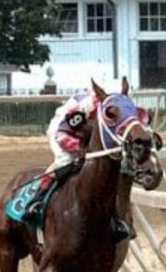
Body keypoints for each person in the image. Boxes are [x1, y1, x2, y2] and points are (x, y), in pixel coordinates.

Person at [25, 87, 134, 240]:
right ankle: (36, 202)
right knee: (65, 161)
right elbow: (62, 134)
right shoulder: (86, 106)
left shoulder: (122, 108)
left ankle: (119, 218)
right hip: (63, 131)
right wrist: (82, 153)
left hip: (89, 134)